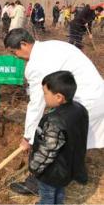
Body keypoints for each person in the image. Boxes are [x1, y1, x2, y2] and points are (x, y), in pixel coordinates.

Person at [4, 28, 104, 195]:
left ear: (24, 44)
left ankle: (36, 183)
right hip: (96, 94)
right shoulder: (51, 45)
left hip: (85, 99)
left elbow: (37, 104)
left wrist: (28, 137)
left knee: (52, 141)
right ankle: (78, 173)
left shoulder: (36, 65)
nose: (16, 57)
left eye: (15, 52)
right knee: (75, 141)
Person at [29, 71, 88, 204]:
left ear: (59, 97)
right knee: (59, 192)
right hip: (67, 167)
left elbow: (47, 151)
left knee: (47, 197)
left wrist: (34, 166)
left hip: (51, 173)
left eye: (45, 93)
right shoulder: (80, 109)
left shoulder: (55, 121)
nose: (43, 96)